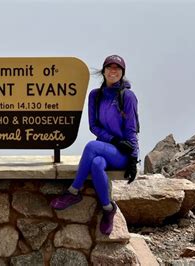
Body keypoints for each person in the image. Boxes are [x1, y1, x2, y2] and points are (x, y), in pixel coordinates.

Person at [50, 54, 139, 235]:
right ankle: (108, 209)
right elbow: (94, 126)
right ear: (104, 71)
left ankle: (73, 192)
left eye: (117, 68)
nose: (113, 71)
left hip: (122, 152)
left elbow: (132, 128)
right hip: (107, 147)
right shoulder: (95, 96)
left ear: (122, 73)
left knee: (91, 147)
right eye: (110, 67)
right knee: (97, 163)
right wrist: (112, 139)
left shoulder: (127, 96)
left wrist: (133, 158)